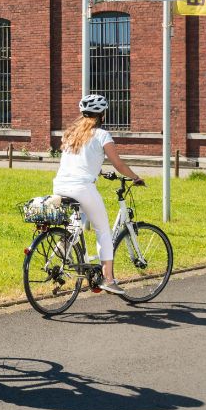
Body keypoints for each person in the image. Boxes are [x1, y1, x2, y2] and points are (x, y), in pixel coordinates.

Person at [53, 94, 144, 294]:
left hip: (60, 186)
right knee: (103, 230)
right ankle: (108, 279)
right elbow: (118, 164)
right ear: (102, 114)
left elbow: (80, 162)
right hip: (82, 188)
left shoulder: (71, 134)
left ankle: (62, 249)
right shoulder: (102, 135)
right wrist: (136, 177)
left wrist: (99, 171)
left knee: (77, 224)